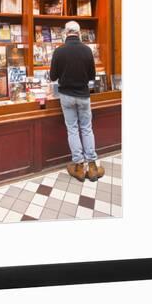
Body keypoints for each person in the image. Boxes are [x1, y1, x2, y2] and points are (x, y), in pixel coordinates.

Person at [49, 21, 105, 183]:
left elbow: (53, 77)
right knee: (87, 128)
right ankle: (93, 167)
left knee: (72, 129)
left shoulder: (59, 51)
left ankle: (79, 167)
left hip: (66, 95)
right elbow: (91, 76)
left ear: (65, 33)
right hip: (83, 95)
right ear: (79, 33)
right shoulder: (87, 50)